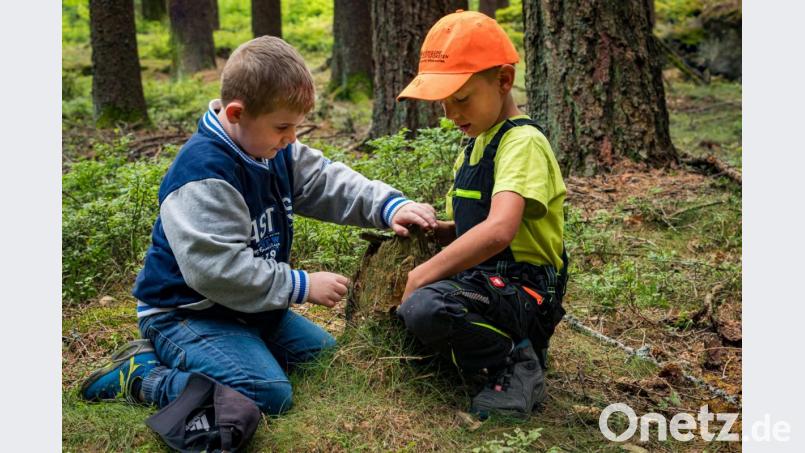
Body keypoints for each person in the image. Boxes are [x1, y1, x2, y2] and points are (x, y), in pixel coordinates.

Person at [80, 36, 437, 415]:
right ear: (236, 114)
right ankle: (141, 374)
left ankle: (234, 349)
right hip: (186, 313)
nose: (292, 138)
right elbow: (216, 271)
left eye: (296, 126)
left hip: (247, 310)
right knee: (266, 392)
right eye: (283, 126)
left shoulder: (270, 148)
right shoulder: (203, 175)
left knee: (324, 359)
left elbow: (325, 181)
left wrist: (389, 206)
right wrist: (300, 285)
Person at [395, 10, 569, 419]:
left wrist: (422, 274)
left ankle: (517, 361)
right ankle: (487, 351)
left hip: (524, 290)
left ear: (504, 81)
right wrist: (443, 231)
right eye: (443, 102)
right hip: (486, 283)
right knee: (422, 305)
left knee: (426, 306)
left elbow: (500, 229)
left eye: (462, 98)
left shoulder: (521, 143)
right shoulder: (477, 142)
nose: (451, 113)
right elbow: (479, 224)